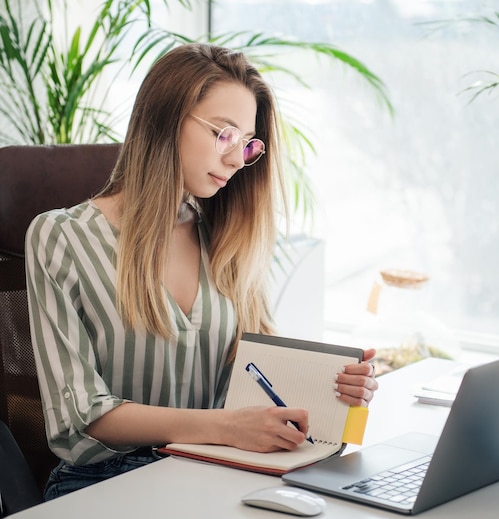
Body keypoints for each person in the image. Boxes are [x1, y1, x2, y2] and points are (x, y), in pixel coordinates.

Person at [25, 43, 378, 500]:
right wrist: (227, 428)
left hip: (219, 472)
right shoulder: (60, 237)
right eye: (224, 134)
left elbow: (255, 381)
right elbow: (81, 417)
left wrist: (335, 388)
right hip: (104, 483)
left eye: (247, 145)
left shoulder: (227, 236)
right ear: (166, 119)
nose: (237, 160)